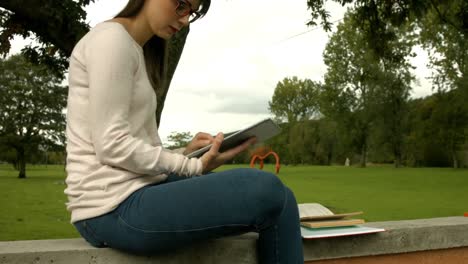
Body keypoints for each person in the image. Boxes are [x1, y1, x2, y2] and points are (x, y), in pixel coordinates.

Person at [64, 0, 304, 263]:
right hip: (110, 208)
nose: (184, 19)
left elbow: (131, 144)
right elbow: (111, 144)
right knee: (266, 189)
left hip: (133, 191)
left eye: (192, 11)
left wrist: (187, 154)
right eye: (180, 4)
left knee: (281, 200)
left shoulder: (135, 48)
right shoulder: (111, 41)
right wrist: (191, 166)